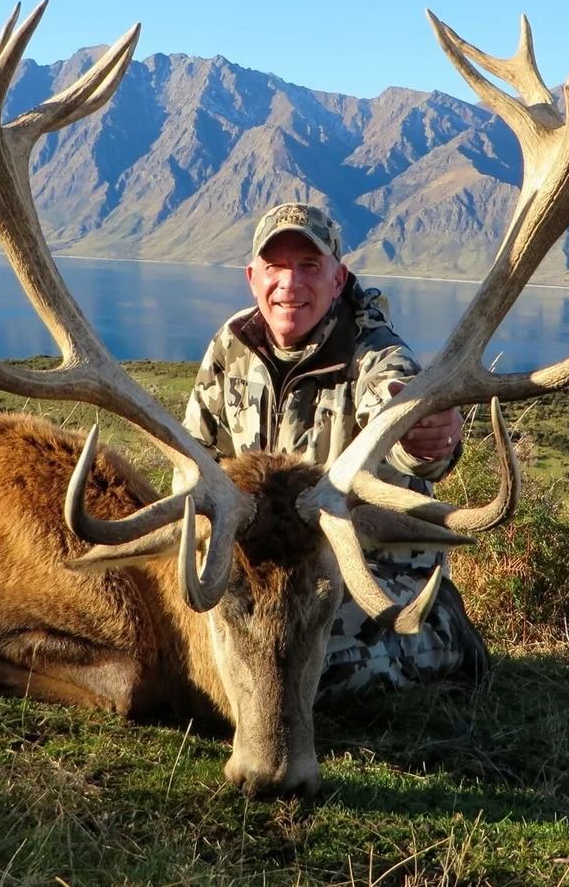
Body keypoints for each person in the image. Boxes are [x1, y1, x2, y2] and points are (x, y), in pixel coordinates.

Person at [183, 202, 489, 700]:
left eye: (309, 266)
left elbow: (402, 412)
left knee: (300, 667)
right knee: (205, 643)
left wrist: (424, 433)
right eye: (275, 266)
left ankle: (443, 633)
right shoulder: (231, 345)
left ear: (338, 278)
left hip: (371, 565)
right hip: (270, 565)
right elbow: (195, 459)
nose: (289, 284)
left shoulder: (377, 355)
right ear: (252, 278)